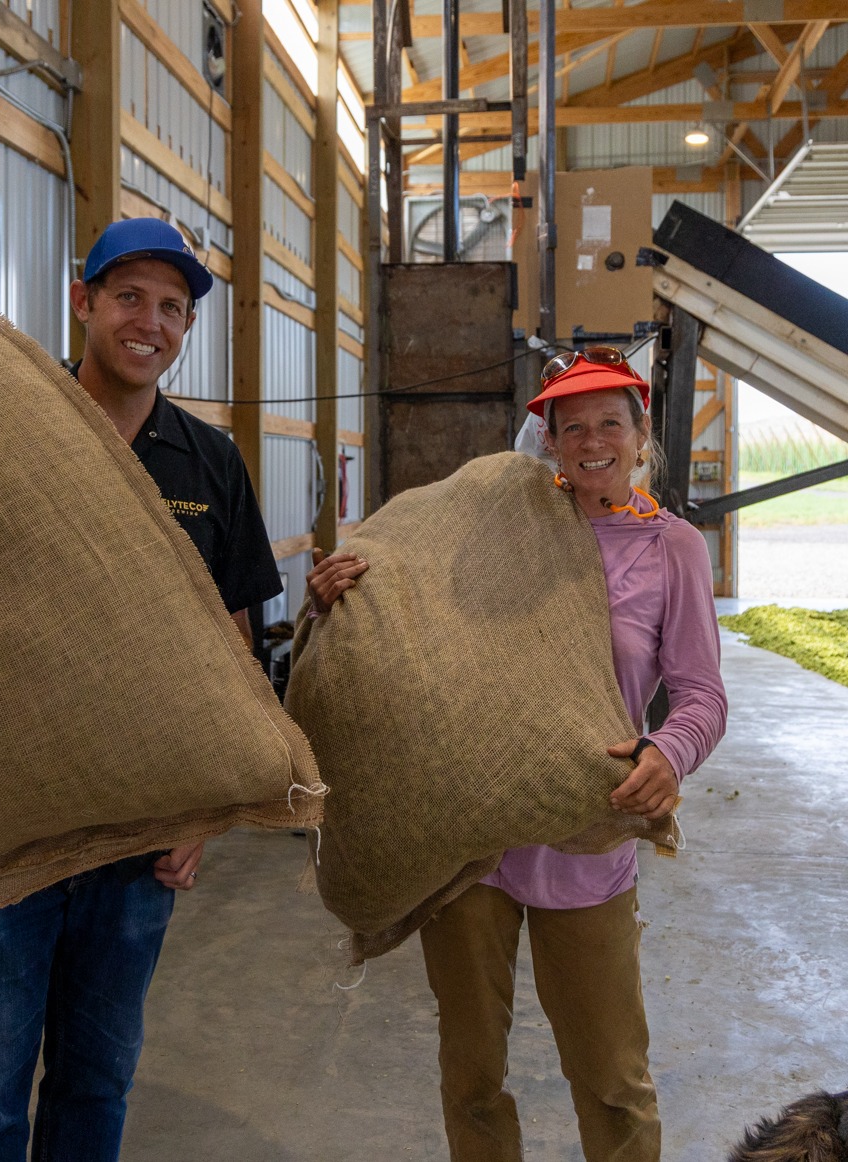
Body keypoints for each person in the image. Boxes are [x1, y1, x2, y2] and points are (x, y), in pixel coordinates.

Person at [0, 218, 282, 1161]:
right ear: (83, 304)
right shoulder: (1, 434)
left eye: (173, 307)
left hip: (138, 836)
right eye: (129, 297)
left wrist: (208, 807)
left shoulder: (210, 461)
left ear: (187, 328)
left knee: (96, 1081)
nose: (149, 322)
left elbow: (232, 644)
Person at [307, 347, 728, 1162]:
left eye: (611, 423)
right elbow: (409, 599)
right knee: (471, 1076)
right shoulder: (503, 526)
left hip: (588, 844)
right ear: (551, 440)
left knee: (611, 1080)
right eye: (573, 427)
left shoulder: (670, 546)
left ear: (642, 436)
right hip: (474, 850)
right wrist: (336, 599)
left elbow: (702, 696)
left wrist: (668, 753)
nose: (593, 440)